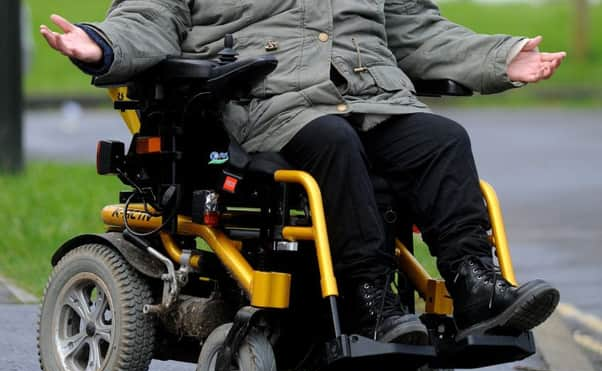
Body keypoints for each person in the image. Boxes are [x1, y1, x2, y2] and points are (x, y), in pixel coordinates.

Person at [41, 1, 563, 344]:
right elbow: (149, 15)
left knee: (443, 140)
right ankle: (370, 303)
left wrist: (499, 57)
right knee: (333, 144)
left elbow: (414, 29)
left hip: (366, 95)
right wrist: (102, 44)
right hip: (264, 101)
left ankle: (478, 287)